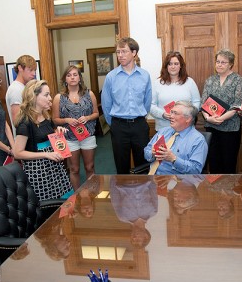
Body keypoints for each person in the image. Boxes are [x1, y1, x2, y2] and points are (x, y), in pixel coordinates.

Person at [13, 79, 73, 202]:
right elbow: (17, 153)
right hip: (38, 172)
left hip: (54, 169)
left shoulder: (46, 117)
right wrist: (46, 154)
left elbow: (46, 138)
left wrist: (57, 133)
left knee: (64, 203)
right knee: (49, 207)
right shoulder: (25, 123)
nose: (50, 98)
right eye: (46, 95)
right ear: (33, 97)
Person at [101, 37, 152, 174]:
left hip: (139, 125)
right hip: (119, 126)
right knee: (121, 165)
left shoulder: (145, 76)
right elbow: (106, 104)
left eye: (124, 51)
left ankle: (143, 195)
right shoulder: (111, 77)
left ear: (134, 53)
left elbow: (147, 102)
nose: (120, 55)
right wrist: (114, 124)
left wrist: (139, 117)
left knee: (143, 164)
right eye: (118, 52)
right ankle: (123, 195)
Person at [52, 65, 99, 190]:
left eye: (75, 74)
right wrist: (66, 120)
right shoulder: (59, 98)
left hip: (87, 136)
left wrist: (87, 118)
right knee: (74, 169)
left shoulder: (89, 94)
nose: (72, 77)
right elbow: (55, 119)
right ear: (65, 79)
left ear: (79, 78)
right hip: (69, 138)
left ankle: (92, 194)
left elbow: (96, 113)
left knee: (90, 167)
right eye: (69, 75)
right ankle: (76, 197)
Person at [201, 49, 242, 174]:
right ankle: (216, 193)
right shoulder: (210, 80)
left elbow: (238, 104)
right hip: (211, 127)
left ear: (231, 64)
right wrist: (207, 118)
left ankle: (229, 193)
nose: (219, 64)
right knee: (214, 163)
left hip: (230, 128)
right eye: (218, 61)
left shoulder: (238, 80)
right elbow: (203, 102)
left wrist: (221, 118)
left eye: (223, 62)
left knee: (228, 163)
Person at [144, 100, 207, 174]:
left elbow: (195, 170)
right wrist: (152, 153)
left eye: (175, 113)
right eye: (172, 112)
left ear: (188, 119)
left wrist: (174, 159)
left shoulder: (198, 140)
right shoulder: (163, 131)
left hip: (177, 181)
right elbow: (147, 151)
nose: (171, 116)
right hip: (152, 177)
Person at [150, 51, 200, 131]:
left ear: (181, 66)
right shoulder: (157, 83)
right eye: (170, 64)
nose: (173, 66)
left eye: (176, 64)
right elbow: (151, 105)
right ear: (166, 66)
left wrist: (189, 115)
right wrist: (163, 114)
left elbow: (197, 102)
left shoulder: (190, 82)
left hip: (185, 128)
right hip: (163, 128)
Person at [110, 176, 157, 248]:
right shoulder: (153, 211)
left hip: (124, 178)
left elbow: (114, 195)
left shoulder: (122, 217)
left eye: (132, 239)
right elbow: (153, 189)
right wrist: (150, 173)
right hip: (142, 176)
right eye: (137, 240)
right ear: (146, 236)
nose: (134, 238)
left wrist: (113, 175)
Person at [5, 55, 37, 135]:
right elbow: (17, 120)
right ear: (20, 68)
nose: (34, 73)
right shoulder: (16, 89)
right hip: (24, 138)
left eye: (34, 70)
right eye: (30, 70)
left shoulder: (23, 87)